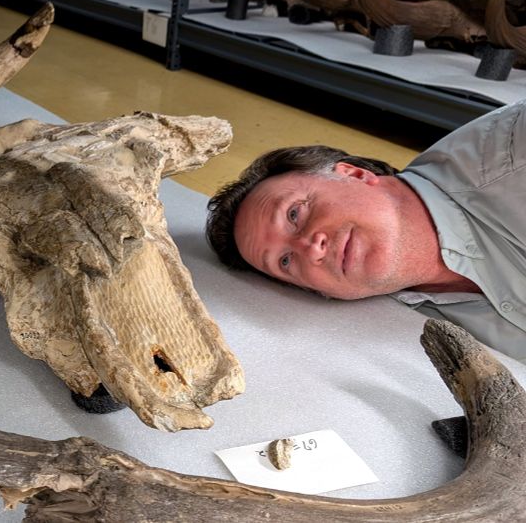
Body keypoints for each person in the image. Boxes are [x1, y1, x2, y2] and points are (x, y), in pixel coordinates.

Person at [206, 100, 526, 362]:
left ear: (355, 174)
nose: (309, 248)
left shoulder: (512, 156)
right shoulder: (424, 322)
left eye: (295, 214)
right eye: (285, 262)